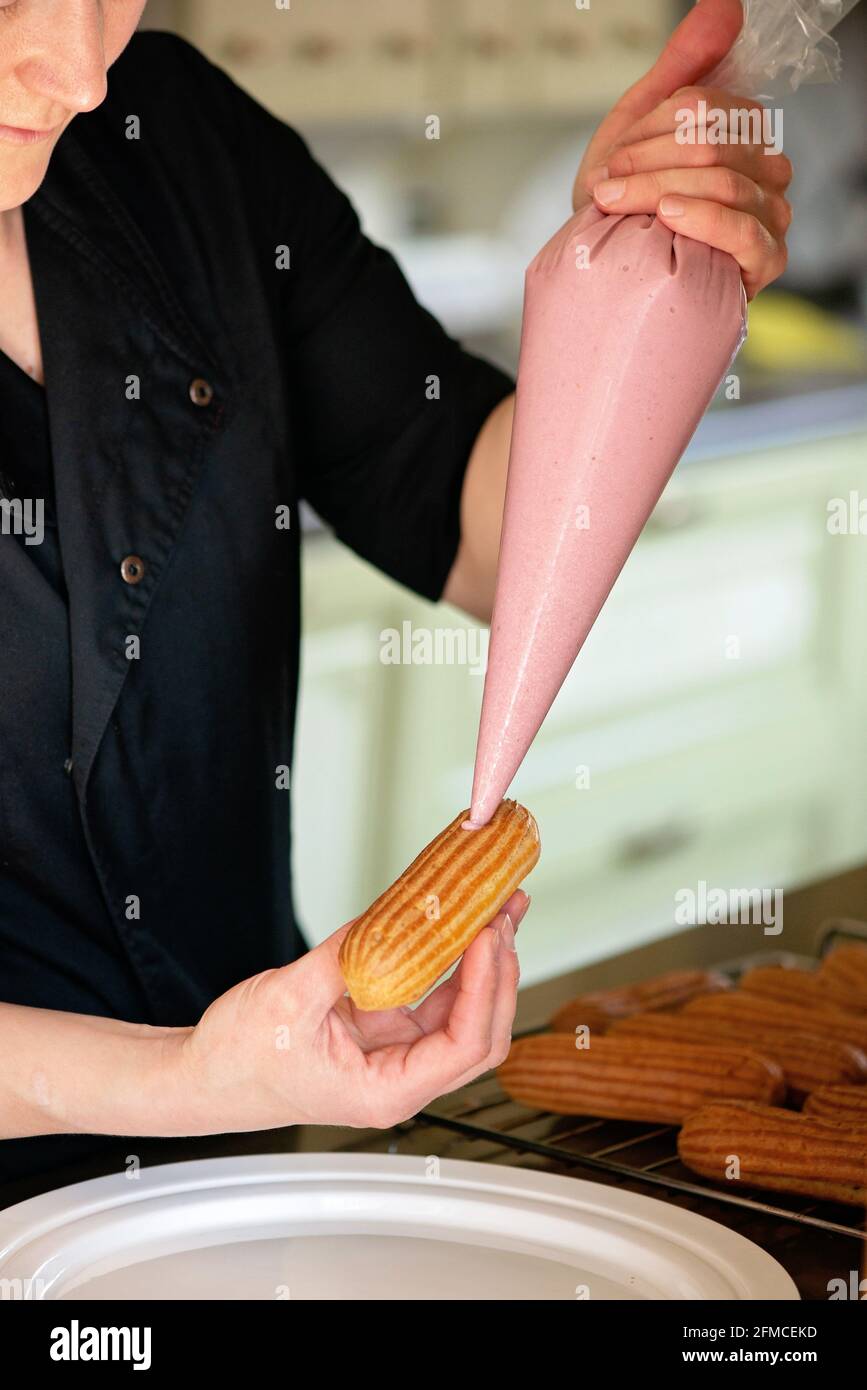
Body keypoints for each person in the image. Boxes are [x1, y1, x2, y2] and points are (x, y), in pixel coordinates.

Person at [0, 0, 791, 1185]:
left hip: (255, 1187)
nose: (74, 71)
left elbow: (479, 531)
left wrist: (628, 293)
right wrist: (184, 1077)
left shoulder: (184, 141)